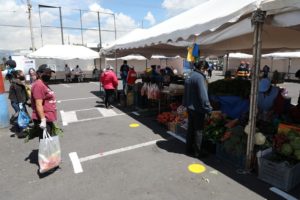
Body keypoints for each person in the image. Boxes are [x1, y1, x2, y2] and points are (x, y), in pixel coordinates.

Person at [183, 61, 212, 158]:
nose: (206, 72)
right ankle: (197, 152)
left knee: (191, 128)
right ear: (204, 69)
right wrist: (208, 109)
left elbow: (185, 92)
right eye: (207, 70)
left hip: (189, 107)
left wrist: (185, 104)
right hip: (198, 108)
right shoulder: (200, 77)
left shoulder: (189, 75)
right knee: (198, 130)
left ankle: (188, 149)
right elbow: (203, 96)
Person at [31, 65, 57, 139]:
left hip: (48, 117)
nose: (49, 75)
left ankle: (48, 151)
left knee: (48, 140)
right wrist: (43, 120)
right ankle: (47, 151)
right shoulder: (38, 85)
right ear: (39, 73)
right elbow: (38, 104)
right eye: (46, 73)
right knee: (45, 141)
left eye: (50, 73)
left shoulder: (43, 83)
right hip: (44, 117)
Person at [8, 70, 29, 137]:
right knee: (21, 115)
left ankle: (20, 129)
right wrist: (21, 103)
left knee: (21, 114)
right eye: (22, 73)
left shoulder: (17, 82)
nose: (23, 74)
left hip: (17, 101)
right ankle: (21, 131)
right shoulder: (16, 83)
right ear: (18, 75)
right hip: (17, 102)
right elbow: (18, 94)